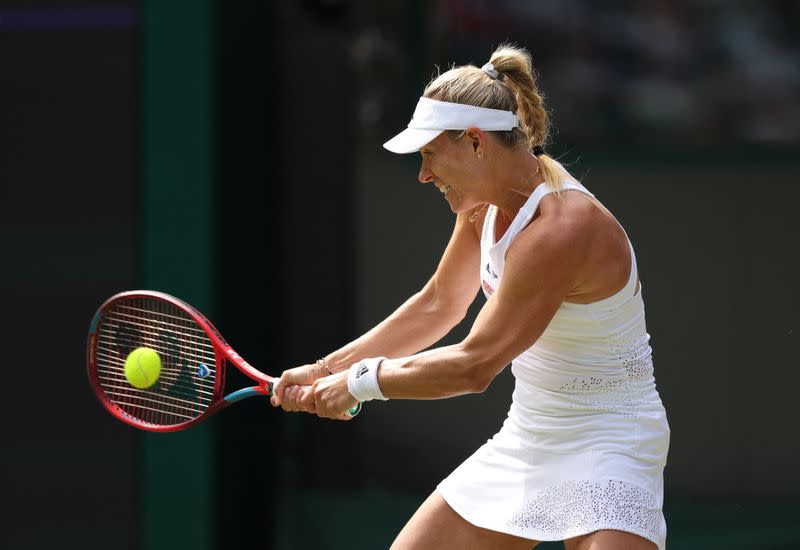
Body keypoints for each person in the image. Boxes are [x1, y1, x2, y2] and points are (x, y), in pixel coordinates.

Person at [271, 44, 670, 550]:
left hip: (612, 442)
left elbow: (473, 365)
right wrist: (327, 368)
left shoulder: (562, 230)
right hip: (530, 435)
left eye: (430, 155)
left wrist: (360, 383)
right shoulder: (483, 205)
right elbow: (439, 303)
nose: (423, 175)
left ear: (477, 144)